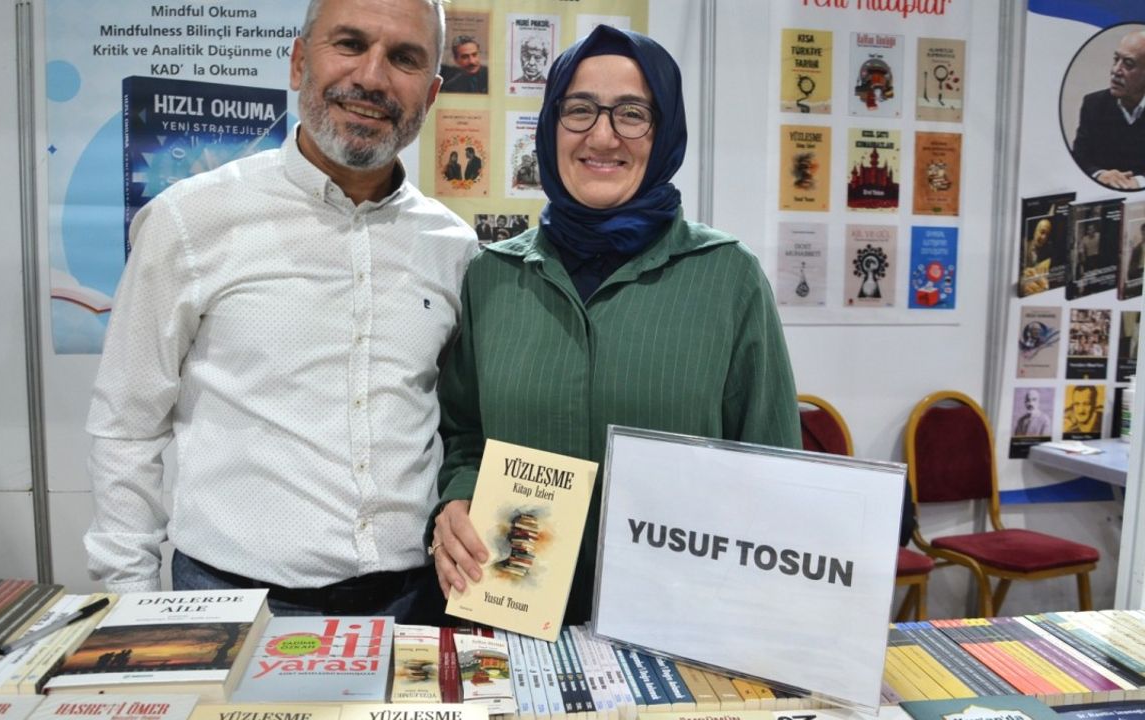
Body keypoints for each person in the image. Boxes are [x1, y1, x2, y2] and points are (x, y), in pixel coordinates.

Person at [83, 0, 478, 622]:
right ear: (298, 62)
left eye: (404, 58)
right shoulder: (189, 220)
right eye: (349, 44)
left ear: (429, 95)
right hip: (233, 603)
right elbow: (126, 425)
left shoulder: (453, 246)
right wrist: (132, 603)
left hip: (415, 603)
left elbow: (456, 424)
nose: (372, 77)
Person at [427, 24, 799, 625]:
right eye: (579, 110)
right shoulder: (493, 276)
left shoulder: (728, 278)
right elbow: (465, 433)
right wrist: (458, 497)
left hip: (678, 626)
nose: (602, 136)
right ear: (550, 127)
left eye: (632, 113)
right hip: (511, 617)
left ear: (665, 131)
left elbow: (773, 470)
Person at [1071, 30, 1145, 190]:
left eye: (1128, 64)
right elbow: (1079, 159)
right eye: (1116, 60)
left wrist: (1139, 183)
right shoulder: (1093, 104)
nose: (1115, 71)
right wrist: (1100, 174)